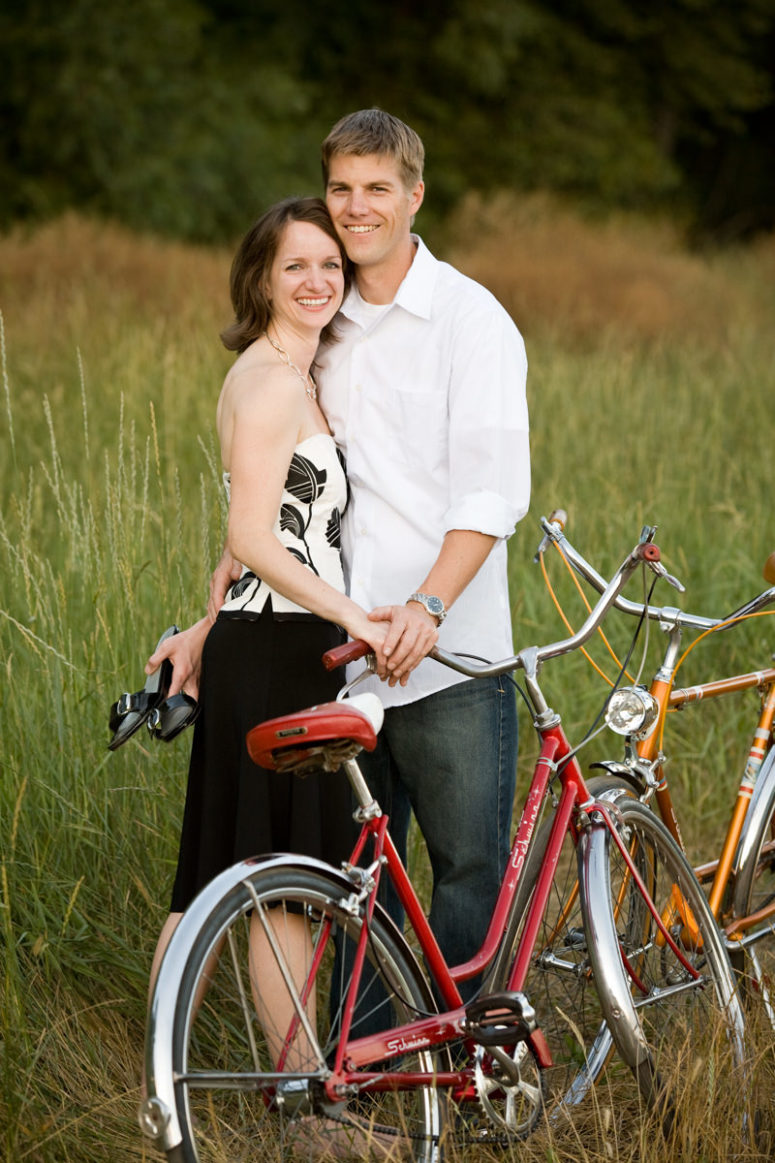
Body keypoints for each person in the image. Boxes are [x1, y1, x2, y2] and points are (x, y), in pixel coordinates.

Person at [179, 109, 530, 1001]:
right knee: (348, 883)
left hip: (446, 652)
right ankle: (363, 1069)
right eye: (342, 188)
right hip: (334, 664)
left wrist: (428, 607)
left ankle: (448, 1063)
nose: (357, 206)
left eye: (378, 188)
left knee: (464, 875)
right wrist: (209, 618)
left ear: (414, 195)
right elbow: (278, 509)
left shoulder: (469, 321)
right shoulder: (318, 329)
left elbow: (490, 492)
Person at [144, 196, 391, 1048]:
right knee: (266, 882)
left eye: (330, 264)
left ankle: (168, 1087)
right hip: (280, 651)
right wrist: (355, 615)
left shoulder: (292, 376)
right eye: (296, 266)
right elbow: (251, 536)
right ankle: (297, 1095)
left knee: (220, 875)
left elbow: (249, 545)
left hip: (269, 642)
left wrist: (204, 628)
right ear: (261, 278)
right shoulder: (266, 382)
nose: (317, 280)